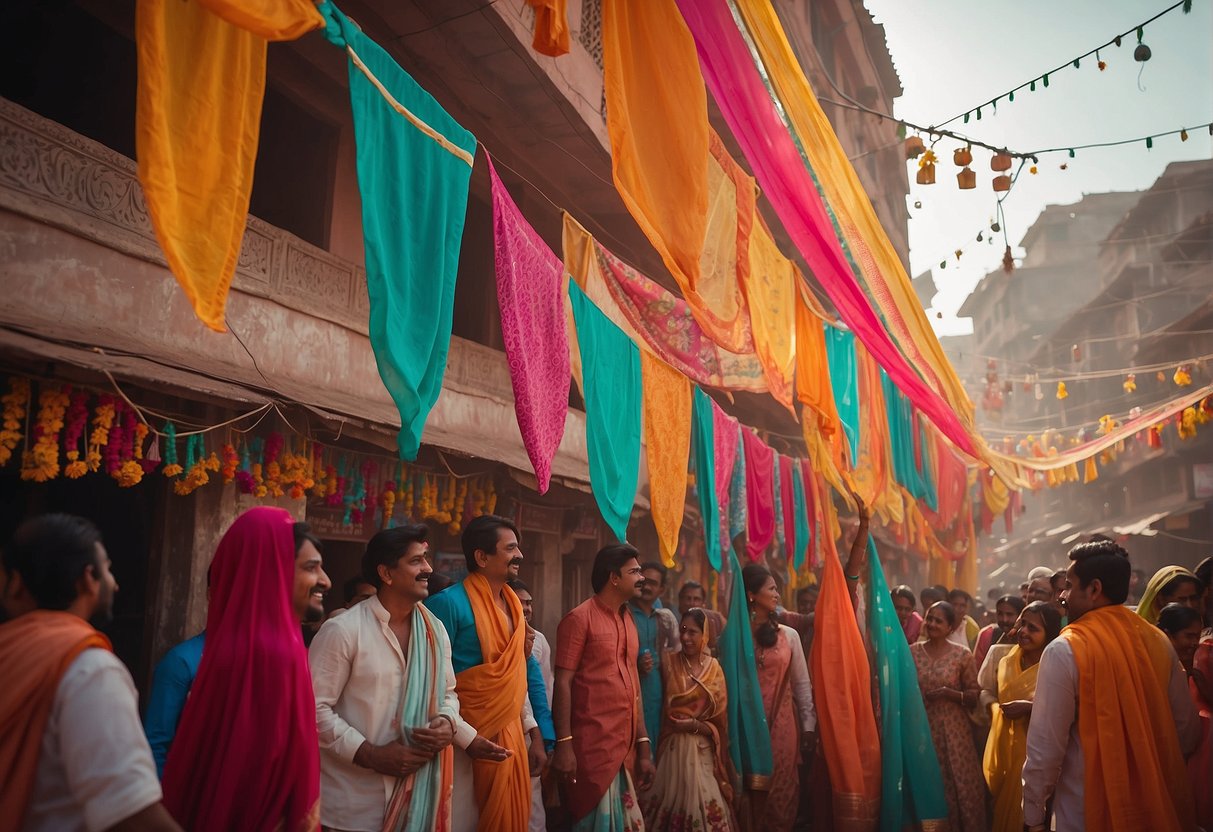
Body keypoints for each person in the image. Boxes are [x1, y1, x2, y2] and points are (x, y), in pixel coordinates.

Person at [0, 514, 181, 831]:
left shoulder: (10, 651)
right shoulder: (90, 670)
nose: (115, 582)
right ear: (87, 578)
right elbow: (133, 816)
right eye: (108, 568)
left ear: (16, 586)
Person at [161, 510, 328, 830]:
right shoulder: (276, 655)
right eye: (311, 568)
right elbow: (259, 781)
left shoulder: (234, 648)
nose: (325, 580)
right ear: (272, 572)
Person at [1022, 540, 1201, 832]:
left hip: (1085, 813)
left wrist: (1032, 816)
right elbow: (1187, 732)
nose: (1063, 595)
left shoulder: (1065, 650)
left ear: (1093, 589)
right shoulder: (1157, 642)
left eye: (1069, 585)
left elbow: (1045, 751)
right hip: (1156, 810)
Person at [309, 524, 467, 831]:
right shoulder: (344, 630)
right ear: (386, 573)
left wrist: (447, 723)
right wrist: (369, 754)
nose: (428, 569)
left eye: (426, 559)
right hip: (352, 806)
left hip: (419, 800)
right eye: (416, 561)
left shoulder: (434, 630)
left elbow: (449, 693)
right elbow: (313, 709)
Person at [424, 515, 534, 832]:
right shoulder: (446, 604)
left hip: (510, 732)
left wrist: (532, 729)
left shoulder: (514, 605)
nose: (520, 555)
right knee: (460, 819)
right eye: (510, 548)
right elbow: (432, 682)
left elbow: (515, 678)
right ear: (482, 557)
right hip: (460, 737)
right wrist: (464, 737)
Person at [551, 543, 656, 831]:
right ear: (614, 577)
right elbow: (563, 682)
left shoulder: (628, 619)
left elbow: (634, 686)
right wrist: (564, 746)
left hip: (626, 749)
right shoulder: (579, 618)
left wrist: (644, 745)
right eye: (634, 571)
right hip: (591, 748)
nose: (641, 577)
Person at [641, 608, 739, 831]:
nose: (685, 637)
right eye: (682, 630)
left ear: (705, 634)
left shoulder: (715, 670)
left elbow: (720, 724)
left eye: (692, 632)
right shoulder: (668, 663)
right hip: (672, 752)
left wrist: (694, 725)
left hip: (702, 751)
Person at [743, 563, 816, 832]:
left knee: (783, 789)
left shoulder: (789, 637)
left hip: (784, 728)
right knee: (750, 791)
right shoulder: (735, 637)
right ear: (751, 595)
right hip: (747, 728)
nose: (777, 594)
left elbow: (802, 686)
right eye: (772, 589)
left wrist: (808, 727)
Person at [981, 600, 1062, 832]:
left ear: (1049, 634)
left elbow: (1066, 711)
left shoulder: (1057, 666)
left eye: (1033, 628)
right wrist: (995, 708)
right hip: (1008, 754)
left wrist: (1028, 708)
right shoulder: (1006, 662)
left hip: (1040, 758)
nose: (1023, 631)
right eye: (1023, 624)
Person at [911, 601, 986, 832]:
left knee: (959, 783)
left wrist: (949, 694)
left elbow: (975, 695)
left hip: (955, 733)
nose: (931, 624)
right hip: (922, 731)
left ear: (951, 627)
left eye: (938, 620)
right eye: (929, 618)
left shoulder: (962, 655)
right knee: (928, 782)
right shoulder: (912, 651)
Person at [1157, 602, 1212, 830]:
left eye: (1196, 637)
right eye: (1187, 636)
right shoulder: (1159, 667)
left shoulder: (1193, 672)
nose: (1193, 644)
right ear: (1166, 635)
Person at [508, 578, 556, 832]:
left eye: (529, 603)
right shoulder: (492, 635)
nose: (526, 608)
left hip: (530, 734)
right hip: (499, 727)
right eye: (520, 602)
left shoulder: (538, 641)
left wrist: (546, 738)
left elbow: (544, 691)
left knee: (532, 802)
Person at [629, 561, 680, 756]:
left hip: (656, 687)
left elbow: (676, 651)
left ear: (662, 590)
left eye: (653, 583)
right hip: (632, 684)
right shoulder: (624, 613)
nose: (647, 586)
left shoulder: (664, 618)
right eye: (643, 580)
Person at [974, 595, 1025, 671]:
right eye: (1000, 614)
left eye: (1009, 614)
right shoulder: (987, 634)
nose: (1005, 620)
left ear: (1020, 617)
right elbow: (977, 669)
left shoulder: (1027, 637)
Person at [1137, 566, 1203, 624]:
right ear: (1161, 599)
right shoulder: (1138, 631)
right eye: (1182, 599)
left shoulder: (1203, 631)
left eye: (1193, 598)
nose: (1190, 606)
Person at [678, 580, 726, 648]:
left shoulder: (717, 620)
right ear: (680, 601)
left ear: (703, 603)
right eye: (688, 598)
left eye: (696, 599)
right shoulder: (671, 621)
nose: (692, 603)